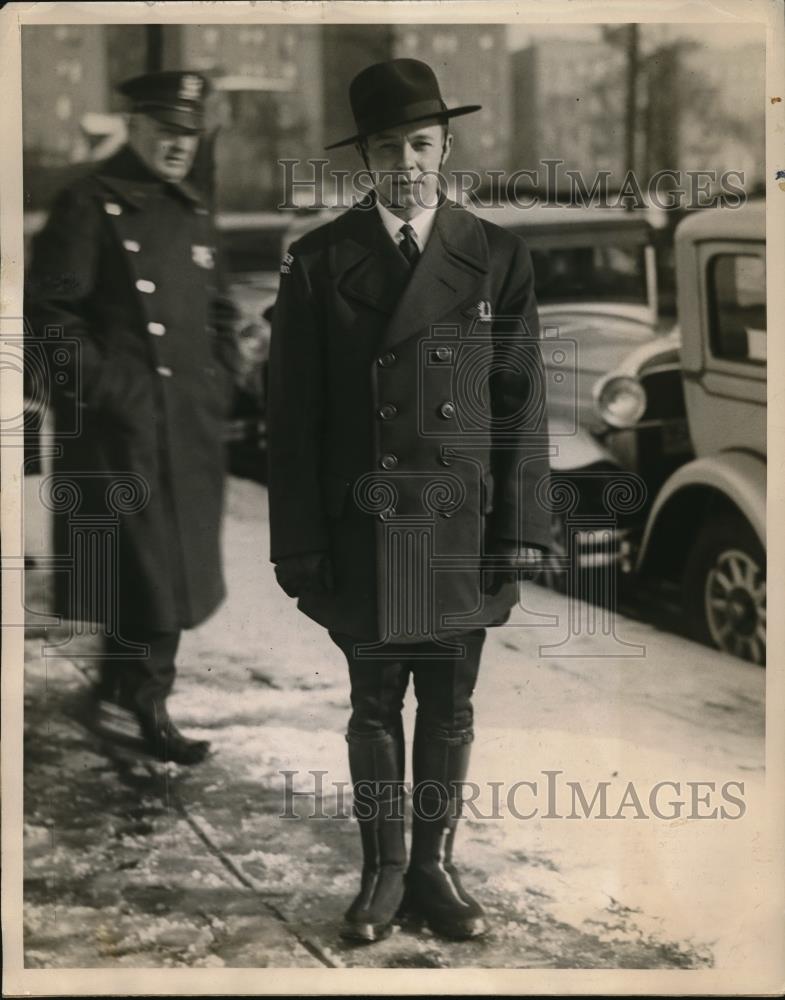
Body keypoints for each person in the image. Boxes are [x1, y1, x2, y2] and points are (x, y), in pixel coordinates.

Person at [268, 59, 551, 942]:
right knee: (373, 702)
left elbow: (521, 405)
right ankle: (382, 872)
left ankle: (433, 865)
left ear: (445, 148)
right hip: (365, 526)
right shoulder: (318, 261)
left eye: (420, 143)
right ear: (366, 159)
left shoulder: (496, 255)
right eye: (387, 147)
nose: (406, 163)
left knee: (452, 705)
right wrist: (299, 539)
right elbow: (293, 418)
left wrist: (520, 531)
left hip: (459, 527)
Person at [26, 71, 239, 765]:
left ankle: (130, 682)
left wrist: (218, 384)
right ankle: (148, 698)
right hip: (122, 422)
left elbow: (218, 310)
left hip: (185, 422)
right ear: (136, 127)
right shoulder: (88, 203)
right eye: (165, 132)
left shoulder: (193, 208)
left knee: (166, 564)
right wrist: (112, 392)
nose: (178, 146)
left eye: (188, 134)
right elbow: (51, 316)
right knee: (148, 565)